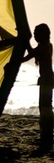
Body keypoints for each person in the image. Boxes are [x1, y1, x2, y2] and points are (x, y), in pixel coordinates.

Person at [21, 23, 54, 154]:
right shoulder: (48, 46)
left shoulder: (43, 48)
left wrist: (12, 62)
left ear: (43, 34)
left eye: (36, 33)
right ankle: (47, 134)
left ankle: (46, 135)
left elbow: (27, 57)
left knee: (44, 107)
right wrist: (26, 42)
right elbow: (33, 53)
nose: (34, 35)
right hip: (49, 79)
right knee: (46, 106)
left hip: (46, 80)